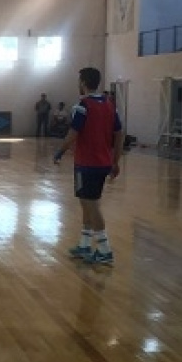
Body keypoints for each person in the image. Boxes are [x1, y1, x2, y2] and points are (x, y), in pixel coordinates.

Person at [54, 67, 123, 266]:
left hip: (86, 163)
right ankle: (85, 244)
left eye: (79, 80)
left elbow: (73, 133)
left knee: (91, 205)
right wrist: (115, 161)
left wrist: (60, 151)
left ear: (83, 82)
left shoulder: (82, 106)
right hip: (103, 163)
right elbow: (119, 134)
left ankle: (104, 250)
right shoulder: (110, 105)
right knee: (87, 203)